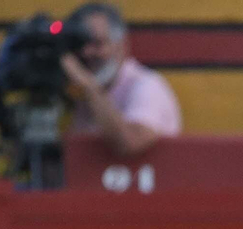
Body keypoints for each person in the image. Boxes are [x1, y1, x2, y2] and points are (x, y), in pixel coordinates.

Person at [60, 2, 182, 158]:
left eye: (98, 44)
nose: (86, 52)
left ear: (121, 46)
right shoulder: (78, 92)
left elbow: (130, 142)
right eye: (80, 44)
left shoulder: (147, 86)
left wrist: (90, 86)